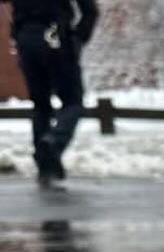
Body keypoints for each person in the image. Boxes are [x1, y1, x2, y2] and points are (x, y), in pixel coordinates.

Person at [2, 0, 98, 186]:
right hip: (55, 35)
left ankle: (46, 166)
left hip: (26, 38)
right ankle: (55, 141)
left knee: (41, 106)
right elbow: (90, 11)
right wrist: (78, 38)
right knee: (73, 101)